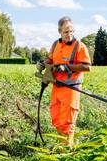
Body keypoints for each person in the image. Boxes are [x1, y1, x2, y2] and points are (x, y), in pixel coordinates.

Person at [37, 16, 91, 147]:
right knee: (56, 119)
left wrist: (67, 67)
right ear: (59, 31)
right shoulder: (56, 44)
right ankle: (61, 146)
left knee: (67, 122)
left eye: (71, 31)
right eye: (66, 32)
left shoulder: (79, 46)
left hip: (71, 89)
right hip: (57, 86)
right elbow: (51, 59)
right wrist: (43, 64)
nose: (69, 34)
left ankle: (66, 151)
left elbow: (87, 67)